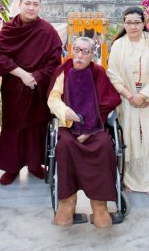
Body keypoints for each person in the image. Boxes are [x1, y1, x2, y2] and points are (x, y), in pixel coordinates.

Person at [47, 37, 121, 229]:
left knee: (104, 144)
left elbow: (109, 102)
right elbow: (53, 99)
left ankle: (99, 208)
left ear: (92, 54)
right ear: (71, 50)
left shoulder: (98, 72)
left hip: (95, 129)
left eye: (85, 52)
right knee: (63, 145)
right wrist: (64, 111)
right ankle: (67, 205)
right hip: (69, 128)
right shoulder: (63, 71)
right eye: (77, 50)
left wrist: (90, 128)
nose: (80, 55)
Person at [0, 0, 62, 185]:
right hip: (14, 86)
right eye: (28, 3)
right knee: (13, 127)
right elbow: (0, 56)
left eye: (35, 4)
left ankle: (35, 164)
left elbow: (54, 61)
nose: (31, 7)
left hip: (37, 87)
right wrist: (22, 74)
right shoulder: (9, 29)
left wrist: (36, 77)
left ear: (40, 7)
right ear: (20, 5)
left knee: (36, 127)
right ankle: (12, 167)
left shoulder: (47, 31)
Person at [107, 7, 149, 193]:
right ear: (123, 24)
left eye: (137, 22)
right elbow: (113, 74)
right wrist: (130, 95)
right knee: (131, 138)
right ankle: (131, 180)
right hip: (128, 98)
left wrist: (144, 94)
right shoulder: (118, 45)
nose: (133, 26)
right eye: (129, 22)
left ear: (144, 23)